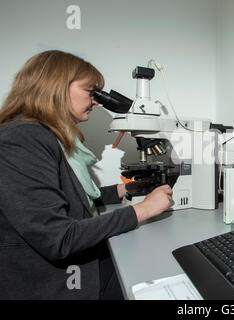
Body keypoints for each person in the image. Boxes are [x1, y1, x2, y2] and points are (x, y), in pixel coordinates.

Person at [0, 50, 173, 299]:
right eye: (91, 93)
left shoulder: (49, 137)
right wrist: (142, 210)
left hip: (84, 267)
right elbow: (59, 237)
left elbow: (70, 200)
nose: (96, 101)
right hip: (57, 284)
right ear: (56, 87)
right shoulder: (22, 139)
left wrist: (123, 190)